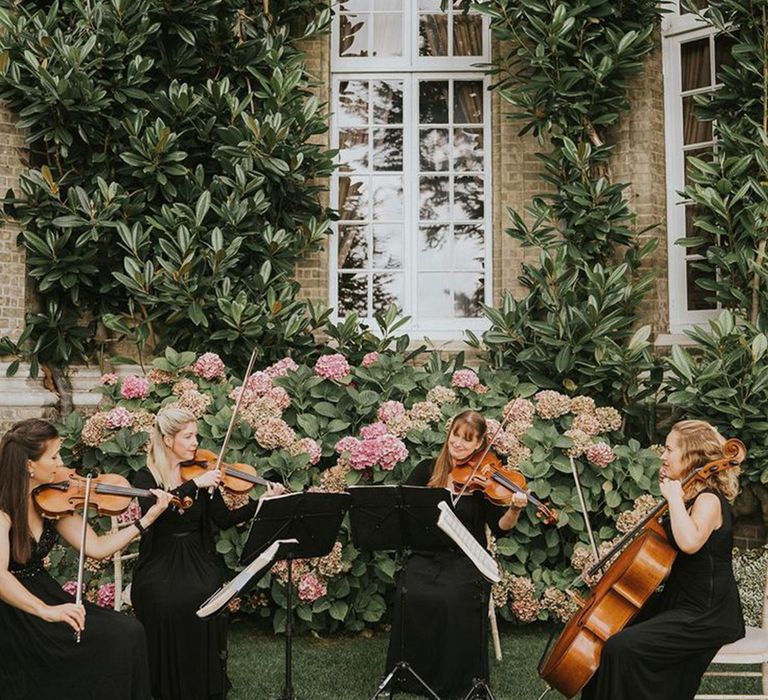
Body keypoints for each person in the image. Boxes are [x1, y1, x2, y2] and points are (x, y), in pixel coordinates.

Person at [0, 418, 173, 700]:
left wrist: (147, 519)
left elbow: (97, 546)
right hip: (16, 609)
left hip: (45, 592)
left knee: (128, 631)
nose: (61, 463)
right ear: (29, 465)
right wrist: (46, 611)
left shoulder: (50, 501)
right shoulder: (3, 512)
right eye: (54, 456)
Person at [581, 419, 746, 700]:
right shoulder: (688, 495)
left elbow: (690, 543)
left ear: (691, 456)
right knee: (612, 628)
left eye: (669, 449)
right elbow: (672, 562)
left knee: (622, 648)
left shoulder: (708, 500)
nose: (663, 456)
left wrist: (673, 499)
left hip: (707, 613)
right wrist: (617, 576)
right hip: (680, 600)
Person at [131, 406, 284, 700]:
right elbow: (153, 517)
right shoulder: (145, 477)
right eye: (187, 437)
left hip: (196, 555)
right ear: (167, 439)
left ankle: (202, 682)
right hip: (160, 559)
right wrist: (192, 485)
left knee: (203, 592)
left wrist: (262, 502)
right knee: (164, 600)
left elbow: (224, 520)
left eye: (195, 436)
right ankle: (166, 685)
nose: (195, 443)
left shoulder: (204, 472)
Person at [384, 409, 528, 699]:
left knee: (452, 597)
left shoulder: (484, 481)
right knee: (410, 590)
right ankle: (407, 676)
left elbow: (500, 528)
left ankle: (455, 682)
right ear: (448, 434)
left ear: (479, 444)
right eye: (455, 436)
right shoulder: (427, 470)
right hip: (427, 554)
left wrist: (514, 509)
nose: (459, 444)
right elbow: (404, 507)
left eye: (468, 440)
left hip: (466, 559)